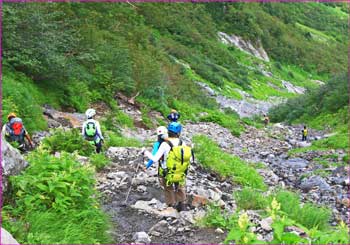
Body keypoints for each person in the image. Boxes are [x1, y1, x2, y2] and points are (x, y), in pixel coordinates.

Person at [143, 122, 193, 212]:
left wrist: (145, 152)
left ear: (168, 132)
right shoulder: (183, 143)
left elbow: (155, 159)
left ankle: (171, 206)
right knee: (180, 187)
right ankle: (181, 205)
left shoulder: (165, 144)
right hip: (180, 171)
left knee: (168, 189)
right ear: (179, 133)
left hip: (167, 171)